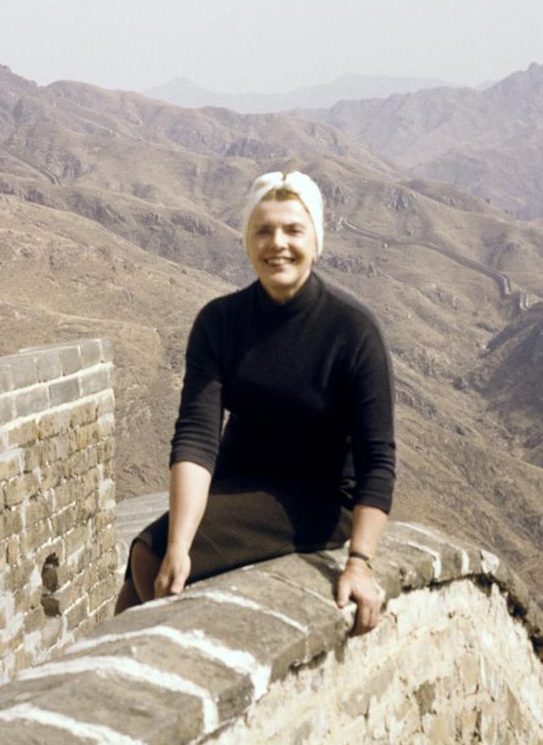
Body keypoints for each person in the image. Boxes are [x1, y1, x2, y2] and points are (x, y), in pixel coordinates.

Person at [115, 170, 395, 636]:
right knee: (151, 560)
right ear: (247, 241)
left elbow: (378, 461)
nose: (277, 243)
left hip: (321, 496)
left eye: (292, 230)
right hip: (241, 482)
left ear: (316, 241)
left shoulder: (352, 331)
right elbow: (197, 437)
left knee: (148, 554)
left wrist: (360, 563)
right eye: (262, 230)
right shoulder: (220, 321)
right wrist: (181, 543)